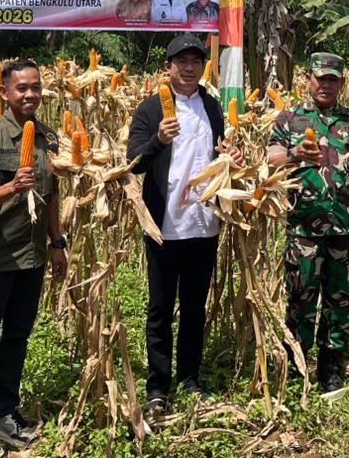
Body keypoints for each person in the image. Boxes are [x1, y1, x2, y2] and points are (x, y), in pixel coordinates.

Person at [0, 60, 67, 454]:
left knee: (18, 336)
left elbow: (51, 196)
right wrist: (10, 188)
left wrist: (57, 244)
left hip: (32, 256)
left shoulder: (47, 137)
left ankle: (4, 409)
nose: (30, 95)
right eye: (21, 88)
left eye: (35, 87)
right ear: (4, 92)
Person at [128, 34, 234, 415]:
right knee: (159, 307)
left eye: (196, 61)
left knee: (194, 306)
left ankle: (190, 377)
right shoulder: (151, 109)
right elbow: (133, 163)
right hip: (164, 225)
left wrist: (229, 156)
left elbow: (221, 154)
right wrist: (156, 139)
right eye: (181, 61)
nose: (189, 68)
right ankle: (158, 385)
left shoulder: (212, 106)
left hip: (204, 223)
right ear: (168, 67)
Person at [267, 52, 349, 395]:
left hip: (345, 229)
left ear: (341, 83)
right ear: (308, 80)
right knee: (301, 297)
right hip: (304, 228)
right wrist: (295, 156)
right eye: (320, 78)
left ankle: (331, 367)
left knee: (340, 300)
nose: (326, 84)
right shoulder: (291, 119)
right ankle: (296, 362)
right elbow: (271, 162)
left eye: (332, 79)